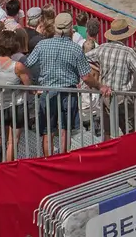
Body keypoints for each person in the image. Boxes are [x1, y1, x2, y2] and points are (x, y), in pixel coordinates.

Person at [25, 12, 99, 156]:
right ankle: (63, 159)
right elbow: (86, 77)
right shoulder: (75, 48)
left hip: (47, 91)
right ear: (70, 28)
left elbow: (27, 65)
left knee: (47, 131)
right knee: (65, 129)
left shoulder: (42, 45)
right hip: (68, 93)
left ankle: (48, 160)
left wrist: (31, 84)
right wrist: (100, 86)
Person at [86, 17, 136, 136]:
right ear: (125, 36)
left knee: (107, 131)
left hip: (106, 96)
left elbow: (83, 58)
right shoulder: (128, 52)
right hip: (122, 98)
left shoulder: (102, 48)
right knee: (130, 132)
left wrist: (97, 69)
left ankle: (109, 147)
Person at [0, 28, 32, 163]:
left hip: (0, 105)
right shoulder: (17, 66)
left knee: (4, 136)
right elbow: (28, 85)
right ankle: (7, 166)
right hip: (16, 105)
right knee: (13, 140)